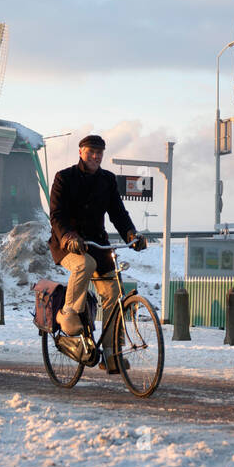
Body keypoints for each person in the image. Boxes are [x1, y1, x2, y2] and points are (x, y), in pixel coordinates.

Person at [49, 135, 147, 369]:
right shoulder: (64, 178)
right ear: (81, 152)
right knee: (85, 264)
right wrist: (69, 236)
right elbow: (57, 214)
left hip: (98, 245)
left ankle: (112, 356)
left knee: (114, 297)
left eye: (99, 153)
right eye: (91, 152)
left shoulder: (107, 180)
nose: (95, 156)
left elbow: (118, 213)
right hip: (68, 244)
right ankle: (68, 313)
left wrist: (131, 234)